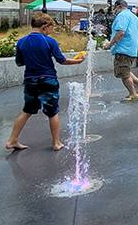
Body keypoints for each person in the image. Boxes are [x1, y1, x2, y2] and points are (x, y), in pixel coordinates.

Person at [6, 13, 85, 151]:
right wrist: (78, 61)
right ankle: (56, 143)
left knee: (27, 110)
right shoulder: (49, 41)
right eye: (51, 27)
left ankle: (12, 140)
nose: (52, 30)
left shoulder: (21, 42)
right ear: (44, 26)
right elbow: (62, 60)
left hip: (30, 79)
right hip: (48, 79)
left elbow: (19, 63)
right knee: (52, 112)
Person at [108, 0, 138, 101]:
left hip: (123, 49)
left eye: (114, 8)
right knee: (125, 70)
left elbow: (121, 32)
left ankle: (132, 94)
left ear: (118, 6)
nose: (114, 10)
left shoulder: (122, 16)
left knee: (124, 74)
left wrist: (110, 44)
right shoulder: (135, 18)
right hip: (131, 49)